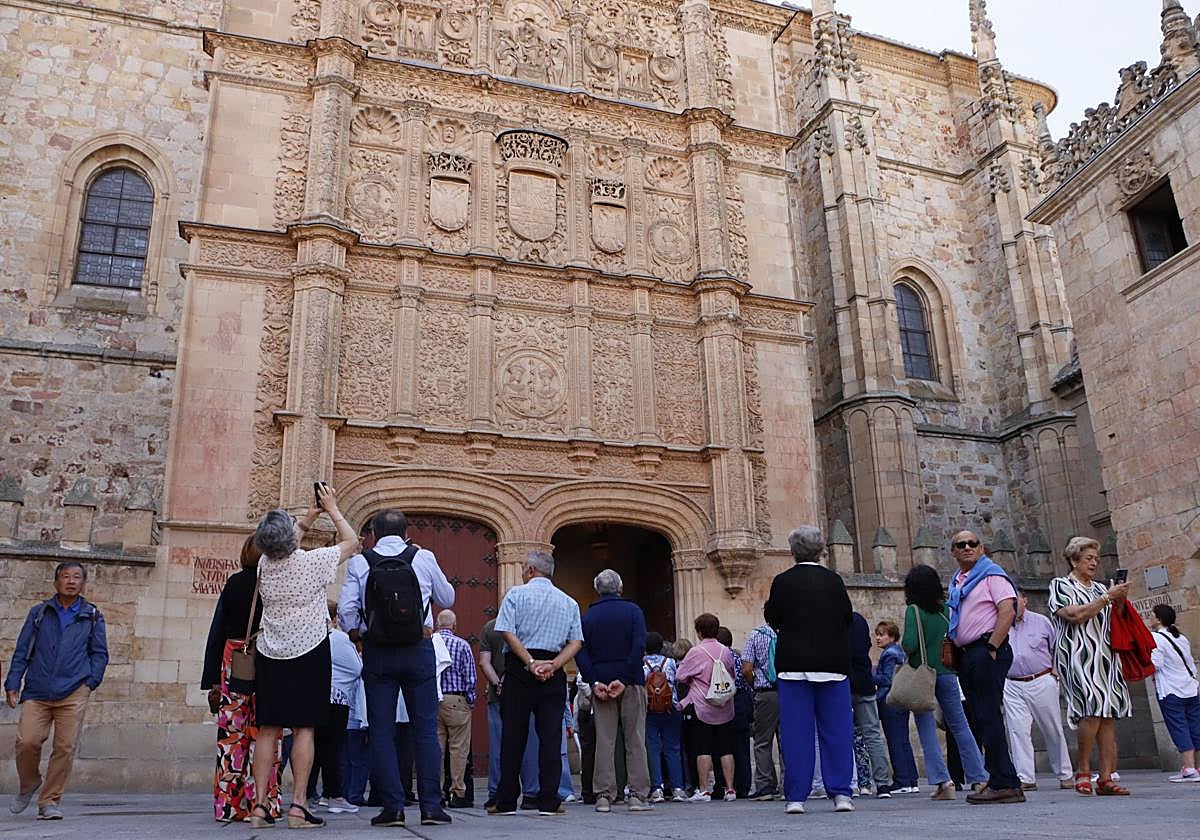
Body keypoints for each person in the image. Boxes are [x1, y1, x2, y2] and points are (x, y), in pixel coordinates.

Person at [248, 486, 358, 829]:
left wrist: (310, 515)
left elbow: (287, 542)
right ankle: (298, 805)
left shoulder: (264, 566)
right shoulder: (312, 562)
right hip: (309, 652)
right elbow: (352, 541)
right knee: (304, 728)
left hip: (270, 652)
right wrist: (333, 509)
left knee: (267, 730)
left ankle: (260, 806)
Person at [339, 507, 456, 827]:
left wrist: (358, 638)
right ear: (407, 534)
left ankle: (392, 806)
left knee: (381, 730)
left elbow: (347, 611)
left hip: (378, 653)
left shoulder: (361, 561)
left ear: (373, 534)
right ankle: (431, 806)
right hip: (419, 649)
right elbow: (448, 597)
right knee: (425, 729)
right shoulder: (423, 557)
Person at [6, 562, 109, 821]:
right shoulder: (39, 613)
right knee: (26, 741)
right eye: (65, 576)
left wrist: (90, 682)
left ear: (83, 583)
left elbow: (100, 653)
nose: (71, 581)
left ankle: (49, 801)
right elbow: (22, 651)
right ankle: (29, 783)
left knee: (64, 747)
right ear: (56, 582)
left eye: (76, 577)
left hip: (74, 691)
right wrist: (12, 683)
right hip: (38, 690)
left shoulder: (92, 615)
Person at [764, 526, 855, 815]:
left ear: (793, 551)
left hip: (794, 665)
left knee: (796, 733)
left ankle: (796, 797)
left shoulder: (782, 582)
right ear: (821, 550)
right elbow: (846, 617)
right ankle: (841, 793)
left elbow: (773, 616)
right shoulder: (834, 581)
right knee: (837, 731)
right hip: (832, 664)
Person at [493, 549, 584, 817]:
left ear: (531, 570)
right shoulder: (569, 602)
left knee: (513, 737)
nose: (522, 571)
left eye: (523, 567)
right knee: (551, 737)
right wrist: (555, 665)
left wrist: (530, 662)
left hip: (521, 670)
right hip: (553, 671)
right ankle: (549, 800)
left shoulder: (516, 595)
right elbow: (576, 642)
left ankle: (507, 800)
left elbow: (507, 631)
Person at [200, 536, 280, 823]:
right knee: (266, 733)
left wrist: (211, 679)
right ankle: (264, 803)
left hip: (232, 662)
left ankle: (227, 806)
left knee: (231, 737)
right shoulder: (276, 582)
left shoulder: (233, 583)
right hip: (268, 660)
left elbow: (217, 630)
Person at [1048, 536, 1132, 796]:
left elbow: (1112, 621)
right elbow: (1074, 615)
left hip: (1105, 656)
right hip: (1077, 656)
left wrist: (1119, 602)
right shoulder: (1060, 585)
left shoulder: (1100, 588)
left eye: (1096, 558)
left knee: (1107, 716)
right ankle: (1083, 770)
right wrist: (1108, 598)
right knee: (1090, 710)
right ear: (1074, 560)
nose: (1094, 563)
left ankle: (1106, 778)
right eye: (1088, 558)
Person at [946, 530, 1024, 804]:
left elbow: (1008, 610)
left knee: (988, 716)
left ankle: (1004, 782)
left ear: (981, 548)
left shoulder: (992, 574)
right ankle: (1004, 779)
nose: (967, 547)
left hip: (986, 651)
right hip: (967, 655)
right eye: (960, 544)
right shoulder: (957, 582)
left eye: (972, 543)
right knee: (980, 717)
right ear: (953, 551)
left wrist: (992, 647)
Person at [901, 563, 987, 801]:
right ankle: (979, 777)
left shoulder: (913, 611)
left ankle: (943, 782)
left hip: (923, 675)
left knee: (927, 728)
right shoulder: (945, 611)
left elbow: (909, 643)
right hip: (948, 673)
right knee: (960, 725)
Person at [575, 568, 652, 813]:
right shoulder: (633, 611)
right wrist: (625, 678)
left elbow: (580, 650)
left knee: (605, 741)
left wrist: (595, 681)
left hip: (601, 685)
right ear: (620, 587)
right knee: (635, 739)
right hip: (629, 682)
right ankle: (638, 795)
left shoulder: (588, 617)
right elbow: (639, 645)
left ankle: (603, 796)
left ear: (597, 589)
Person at [1003, 590, 1074, 791]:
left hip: (1041, 678)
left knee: (1052, 728)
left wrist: (1055, 671)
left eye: (1016, 600)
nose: (1013, 605)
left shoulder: (1041, 622)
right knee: (1018, 731)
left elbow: (1058, 648)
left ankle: (1065, 773)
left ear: (1025, 600)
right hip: (1012, 682)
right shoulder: (1000, 623)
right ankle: (1025, 777)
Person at [675, 613, 737, 803]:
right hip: (724, 705)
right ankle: (730, 789)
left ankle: (703, 790)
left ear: (699, 631)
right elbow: (732, 673)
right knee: (726, 748)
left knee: (703, 748)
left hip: (702, 705)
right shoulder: (725, 651)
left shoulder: (696, 652)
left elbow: (680, 676)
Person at [307, 601, 361, 814]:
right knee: (334, 749)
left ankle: (311, 793)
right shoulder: (338, 639)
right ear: (335, 617)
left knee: (316, 748)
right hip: (337, 698)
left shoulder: (309, 636)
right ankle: (334, 795)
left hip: (314, 697)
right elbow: (357, 668)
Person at [1149, 604, 1200, 783]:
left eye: (1152, 615)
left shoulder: (1155, 638)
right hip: (1190, 688)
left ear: (1159, 619)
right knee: (1195, 727)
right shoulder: (1181, 637)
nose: (1150, 617)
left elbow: (1156, 664)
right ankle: (1197, 766)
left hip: (1171, 690)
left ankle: (1188, 768)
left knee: (1179, 728)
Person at [434, 610, 476, 808]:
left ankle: (435, 792)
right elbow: (470, 678)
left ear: (436, 624)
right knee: (458, 749)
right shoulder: (462, 645)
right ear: (454, 625)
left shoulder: (429, 644)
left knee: (436, 749)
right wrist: (470, 701)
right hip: (456, 700)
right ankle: (457, 792)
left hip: (433, 700)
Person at [873, 620, 918, 794]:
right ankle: (911, 780)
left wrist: (869, 676)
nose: (878, 638)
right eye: (877, 634)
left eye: (882, 634)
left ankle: (902, 781)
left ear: (892, 636)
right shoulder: (898, 652)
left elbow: (887, 679)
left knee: (895, 741)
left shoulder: (889, 654)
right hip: (901, 699)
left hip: (889, 700)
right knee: (903, 740)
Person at [850, 612, 892, 797]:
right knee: (873, 734)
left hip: (844, 683)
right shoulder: (858, 620)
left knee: (842, 735)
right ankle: (882, 784)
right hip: (865, 682)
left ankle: (851, 782)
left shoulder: (832, 619)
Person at [643, 631, 686, 802]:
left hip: (649, 709)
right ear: (662, 647)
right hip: (671, 707)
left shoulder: (642, 664)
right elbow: (678, 681)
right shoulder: (670, 663)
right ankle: (677, 788)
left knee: (652, 749)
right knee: (673, 748)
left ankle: (657, 788)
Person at [742, 617, 781, 800]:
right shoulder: (789, 633)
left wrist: (755, 685)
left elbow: (746, 668)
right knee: (787, 740)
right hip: (789, 692)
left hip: (765, 693)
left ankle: (765, 786)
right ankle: (790, 785)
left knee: (762, 741)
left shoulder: (756, 635)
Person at [714, 626, 752, 799]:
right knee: (741, 746)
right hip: (741, 701)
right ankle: (743, 785)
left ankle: (723, 784)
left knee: (723, 746)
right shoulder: (738, 657)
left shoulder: (719, 658)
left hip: (724, 702)